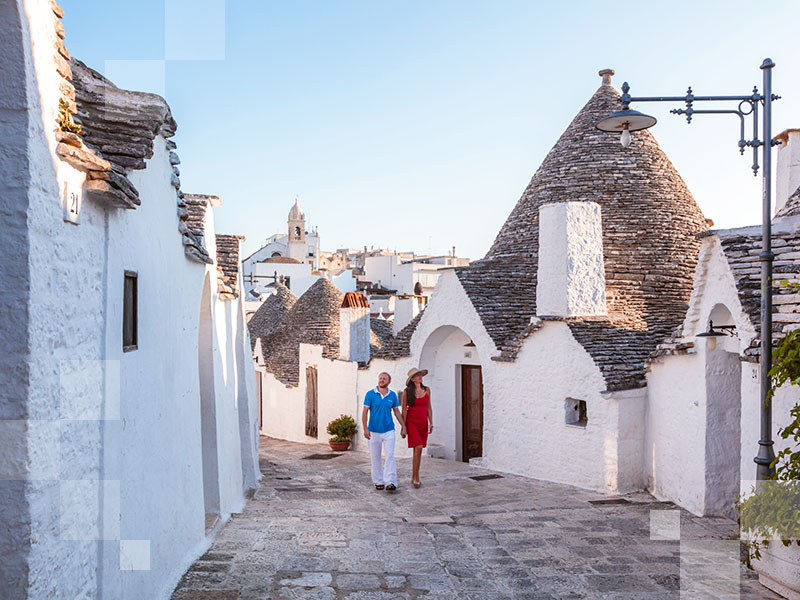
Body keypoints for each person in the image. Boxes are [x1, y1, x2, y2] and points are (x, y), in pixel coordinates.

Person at [362, 372, 406, 492]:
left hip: (388, 430)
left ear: (389, 381)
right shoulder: (370, 394)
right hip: (373, 431)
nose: (381, 380)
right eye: (380, 378)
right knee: (375, 457)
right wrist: (365, 429)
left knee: (390, 456)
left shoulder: (392, 395)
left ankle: (391, 482)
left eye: (384, 379)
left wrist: (403, 426)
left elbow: (396, 411)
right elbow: (365, 412)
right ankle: (378, 481)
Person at [401, 367, 433, 488]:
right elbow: (404, 409)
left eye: (420, 375)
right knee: (418, 448)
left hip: (423, 422)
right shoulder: (406, 392)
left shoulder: (427, 390)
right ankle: (416, 477)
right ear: (412, 379)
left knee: (418, 451)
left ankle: (414, 475)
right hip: (411, 422)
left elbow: (429, 407)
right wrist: (403, 426)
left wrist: (431, 423)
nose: (420, 377)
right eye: (417, 376)